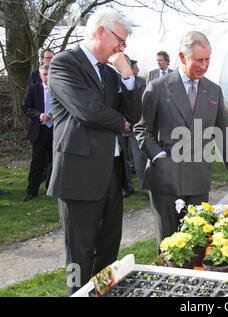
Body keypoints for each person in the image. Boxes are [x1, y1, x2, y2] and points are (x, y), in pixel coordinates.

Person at [47, 8, 141, 295]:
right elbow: (87, 110)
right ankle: (76, 293)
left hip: (112, 173)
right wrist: (121, 123)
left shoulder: (111, 74)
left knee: (109, 248)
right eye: (120, 41)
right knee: (79, 253)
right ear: (101, 32)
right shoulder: (65, 64)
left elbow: (134, 113)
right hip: (79, 176)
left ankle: (103, 293)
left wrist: (127, 77)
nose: (121, 49)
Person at [135, 31, 228, 251]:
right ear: (183, 57)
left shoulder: (213, 91)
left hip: (198, 181)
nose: (204, 66)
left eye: (207, 59)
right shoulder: (158, 88)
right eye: (199, 60)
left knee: (198, 243)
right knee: (170, 248)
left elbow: (220, 133)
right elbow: (142, 130)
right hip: (165, 180)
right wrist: (158, 156)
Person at [21, 64, 53, 202]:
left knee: (54, 162)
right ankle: (31, 191)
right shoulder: (33, 89)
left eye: (49, 74)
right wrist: (40, 115)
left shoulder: (59, 90)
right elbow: (25, 107)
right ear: (40, 76)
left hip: (55, 130)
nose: (47, 77)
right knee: (37, 162)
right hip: (39, 130)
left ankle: (52, 189)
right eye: (44, 74)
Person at [122, 57, 149, 198]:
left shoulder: (140, 83)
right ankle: (127, 188)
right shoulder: (114, 80)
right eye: (135, 67)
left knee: (139, 159)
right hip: (118, 127)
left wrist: (130, 121)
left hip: (135, 127)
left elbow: (142, 103)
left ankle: (146, 188)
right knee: (123, 159)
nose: (138, 69)